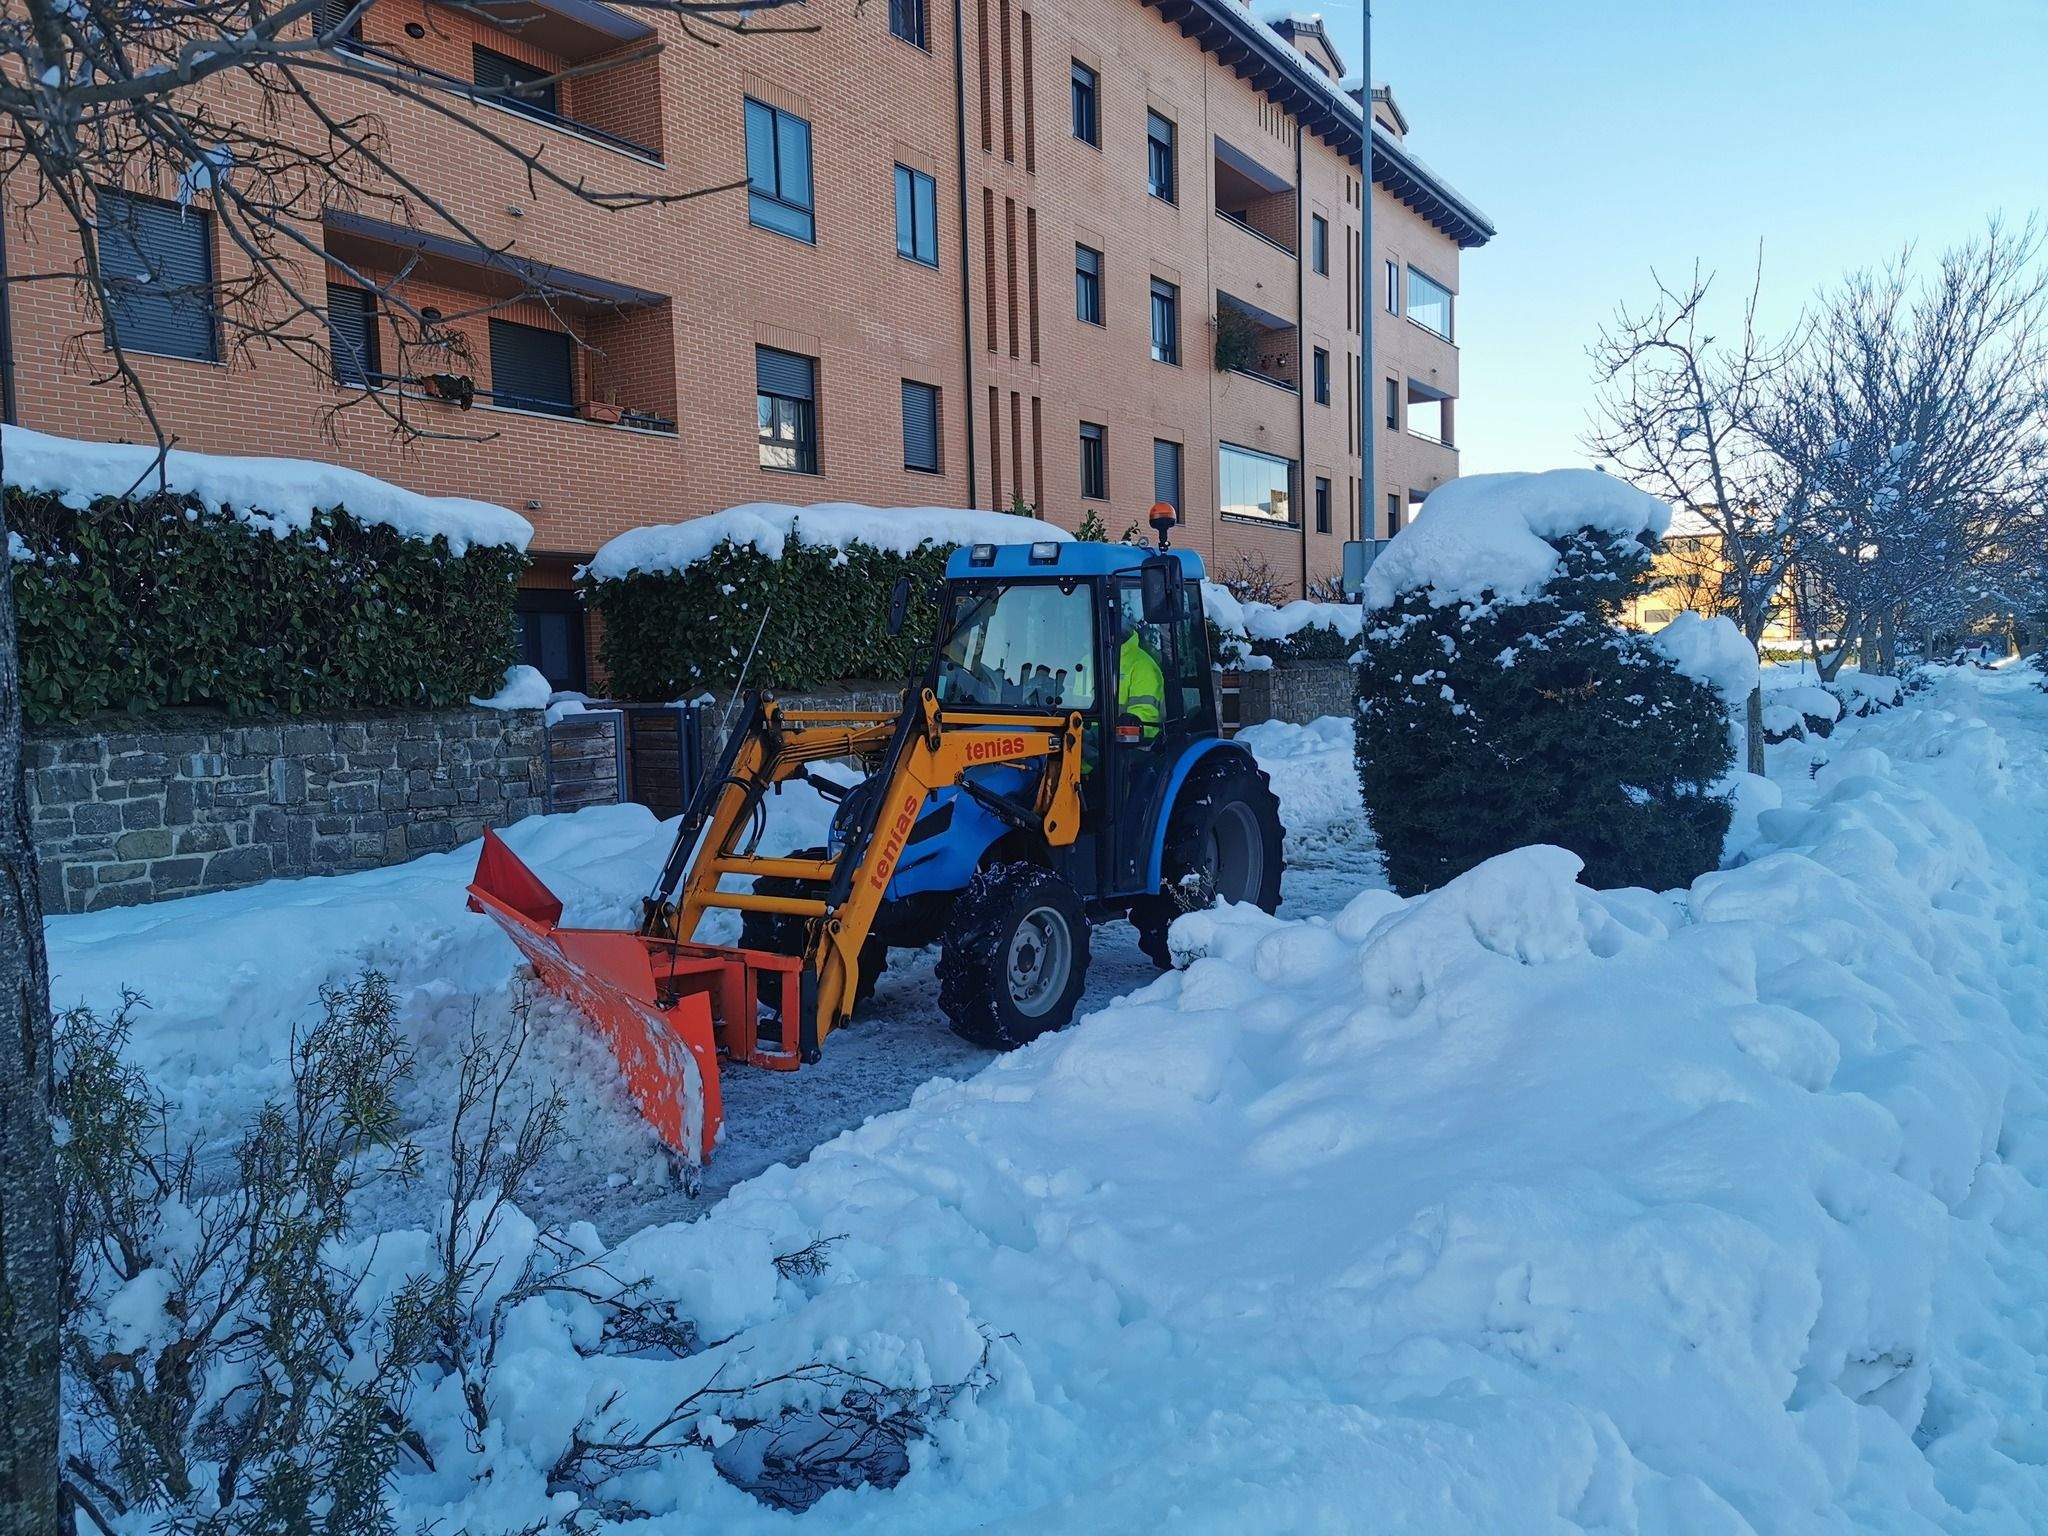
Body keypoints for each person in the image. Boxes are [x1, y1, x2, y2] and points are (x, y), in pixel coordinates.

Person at [1117, 619, 1165, 742]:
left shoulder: (1143, 666)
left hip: (1130, 744)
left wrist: (1125, 732)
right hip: (1084, 740)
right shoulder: (1087, 662)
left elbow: (1143, 718)